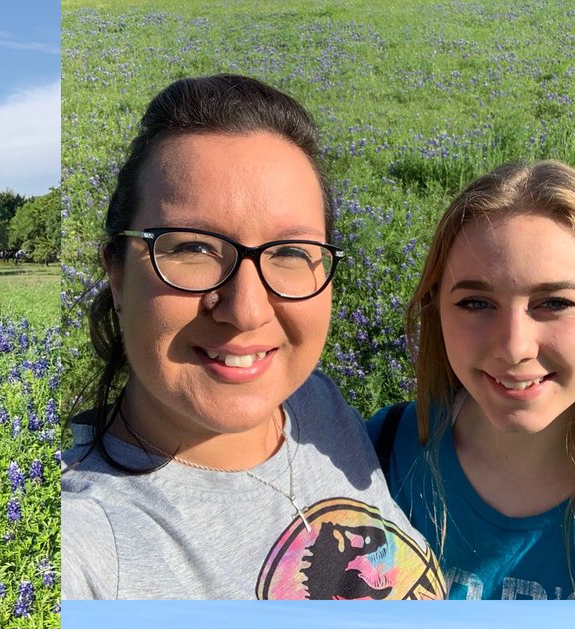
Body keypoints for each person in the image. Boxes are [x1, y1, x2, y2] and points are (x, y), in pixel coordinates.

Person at [60, 73, 444, 600]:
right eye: (192, 248)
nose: (245, 311)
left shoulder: (314, 404)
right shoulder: (88, 542)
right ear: (117, 274)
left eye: (289, 252)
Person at [370, 160, 575, 599]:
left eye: (555, 303)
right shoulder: (374, 456)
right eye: (474, 303)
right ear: (437, 312)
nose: (513, 346)